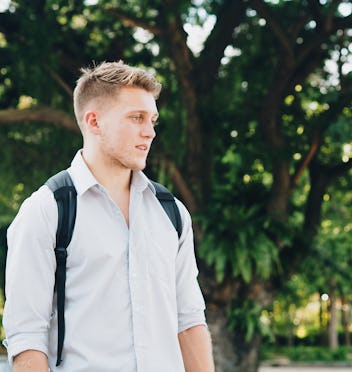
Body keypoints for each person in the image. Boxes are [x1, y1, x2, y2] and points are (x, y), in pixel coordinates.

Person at [3, 61, 215, 372]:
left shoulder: (171, 212)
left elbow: (189, 320)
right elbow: (27, 339)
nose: (150, 132)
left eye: (152, 120)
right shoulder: (47, 211)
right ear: (94, 121)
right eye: (136, 118)